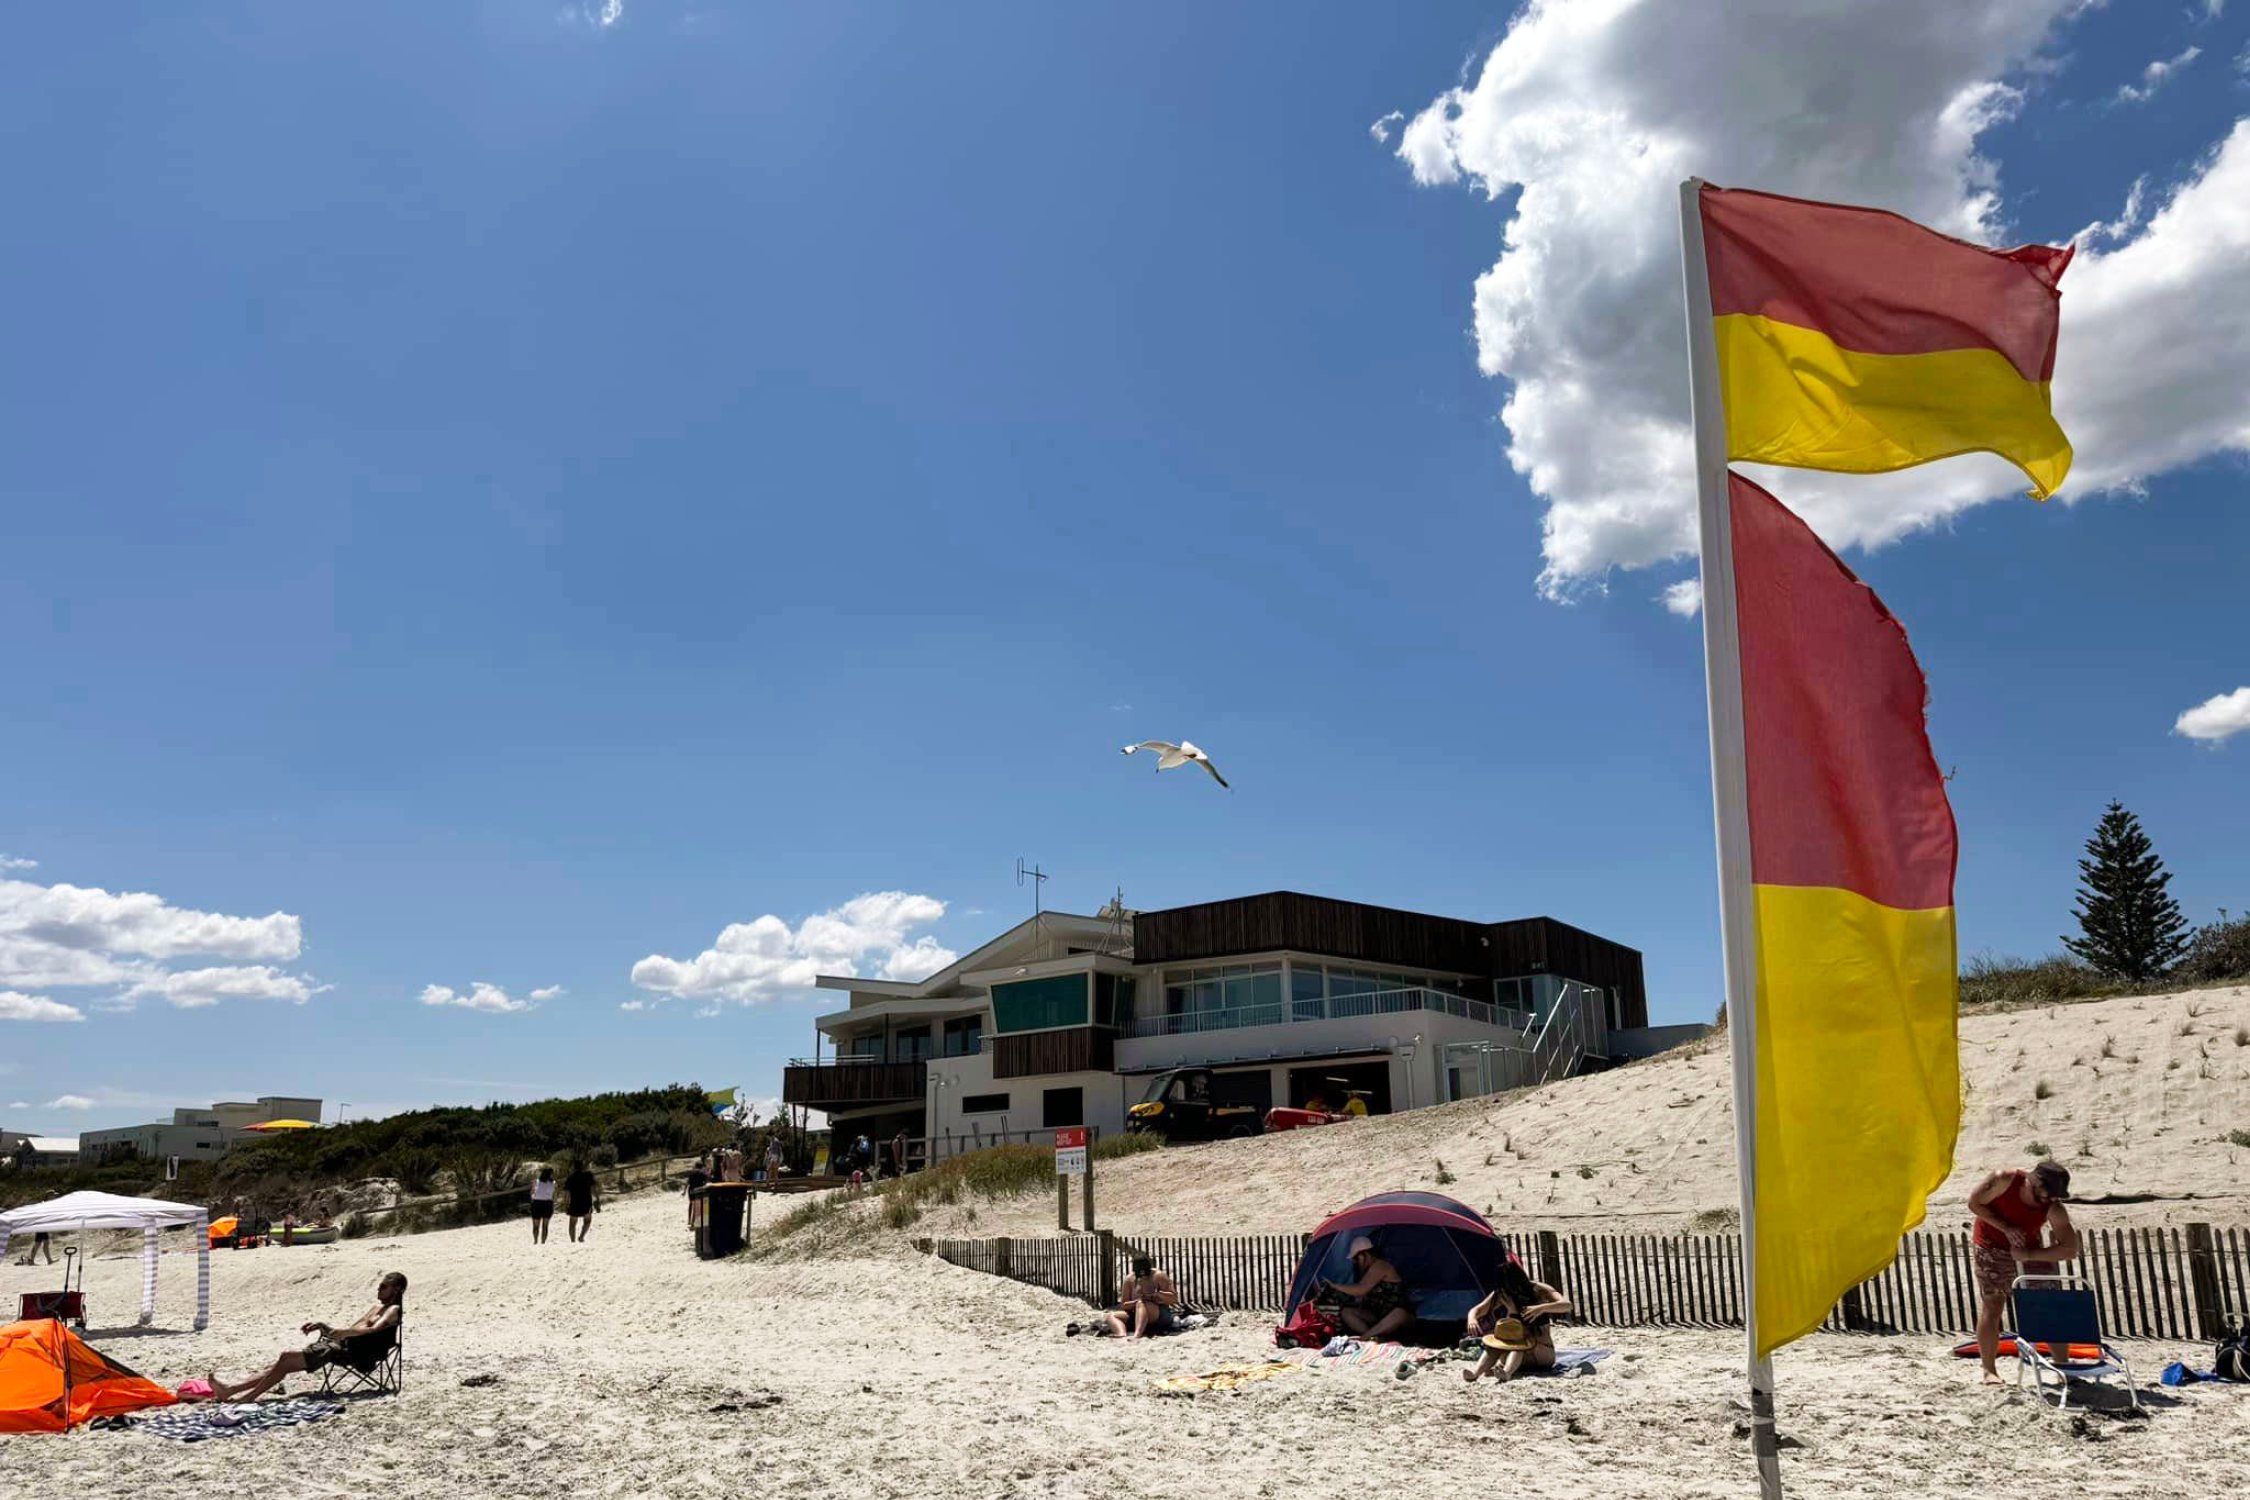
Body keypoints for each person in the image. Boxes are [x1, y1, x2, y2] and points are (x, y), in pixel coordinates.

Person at [204, 1272, 405, 1403]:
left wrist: (340, 1333)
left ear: (396, 1290)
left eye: (383, 1287)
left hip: (361, 1354)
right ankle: (231, 1390)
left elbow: (372, 1330)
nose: (378, 1290)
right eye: (379, 1286)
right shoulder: (377, 1307)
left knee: (286, 1358)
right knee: (283, 1362)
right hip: (342, 1346)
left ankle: (246, 1398)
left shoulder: (393, 1309)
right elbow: (352, 1328)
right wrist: (324, 1327)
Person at [1969, 1159, 2079, 1383]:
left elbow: (2070, 1248)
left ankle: (2063, 1368)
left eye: (2056, 1196)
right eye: (2047, 1194)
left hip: (2028, 1248)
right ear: (2032, 1182)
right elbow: (1974, 1203)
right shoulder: (2004, 1180)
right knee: (1993, 1304)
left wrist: (2030, 1255)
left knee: (2050, 1303)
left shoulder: (2053, 1207)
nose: (2050, 1200)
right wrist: (2006, 1228)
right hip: (1990, 1245)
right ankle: (1989, 1371)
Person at [1463, 1260, 1572, 1383]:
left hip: (1541, 1351)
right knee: (1493, 1347)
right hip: (1515, 1350)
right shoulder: (1503, 1293)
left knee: (1519, 1347)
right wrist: (1472, 1318)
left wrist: (1541, 1308)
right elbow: (1478, 1310)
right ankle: (1475, 1373)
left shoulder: (1538, 1289)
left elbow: (1567, 1305)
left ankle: (1507, 1373)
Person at [1314, 1236, 1412, 1340]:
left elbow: (1361, 1290)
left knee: (1399, 1313)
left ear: (1362, 1255)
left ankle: (1365, 1337)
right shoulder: (1365, 1271)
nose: (1355, 1262)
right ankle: (1371, 1336)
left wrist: (1336, 1286)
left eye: (1355, 1259)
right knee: (1346, 1312)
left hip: (1397, 1315)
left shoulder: (1381, 1265)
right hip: (1379, 1315)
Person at [1107, 1255, 1181, 1340]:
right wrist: (1137, 1301)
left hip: (1159, 1314)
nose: (1143, 1276)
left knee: (1141, 1304)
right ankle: (1122, 1334)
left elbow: (1174, 1299)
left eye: (1145, 1273)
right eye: (1139, 1273)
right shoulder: (1129, 1280)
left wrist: (1157, 1295)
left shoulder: (1158, 1276)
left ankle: (1137, 1335)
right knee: (1112, 1316)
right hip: (1136, 1314)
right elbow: (1124, 1305)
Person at [564, 1159, 599, 1243]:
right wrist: (597, 1199)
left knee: (572, 1223)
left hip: (574, 1203)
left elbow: (567, 1193)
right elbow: (594, 1189)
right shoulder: (588, 1175)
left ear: (574, 1167)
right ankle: (581, 1236)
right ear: (583, 1166)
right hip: (586, 1202)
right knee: (587, 1221)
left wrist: (566, 1204)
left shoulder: (570, 1177)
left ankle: (572, 1241)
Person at [529, 1166, 557, 1245]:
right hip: (548, 1204)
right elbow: (554, 1197)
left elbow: (531, 1193)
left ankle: (535, 1241)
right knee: (545, 1225)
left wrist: (533, 1199)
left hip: (536, 1203)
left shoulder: (536, 1181)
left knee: (535, 1225)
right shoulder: (553, 1183)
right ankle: (543, 1242)